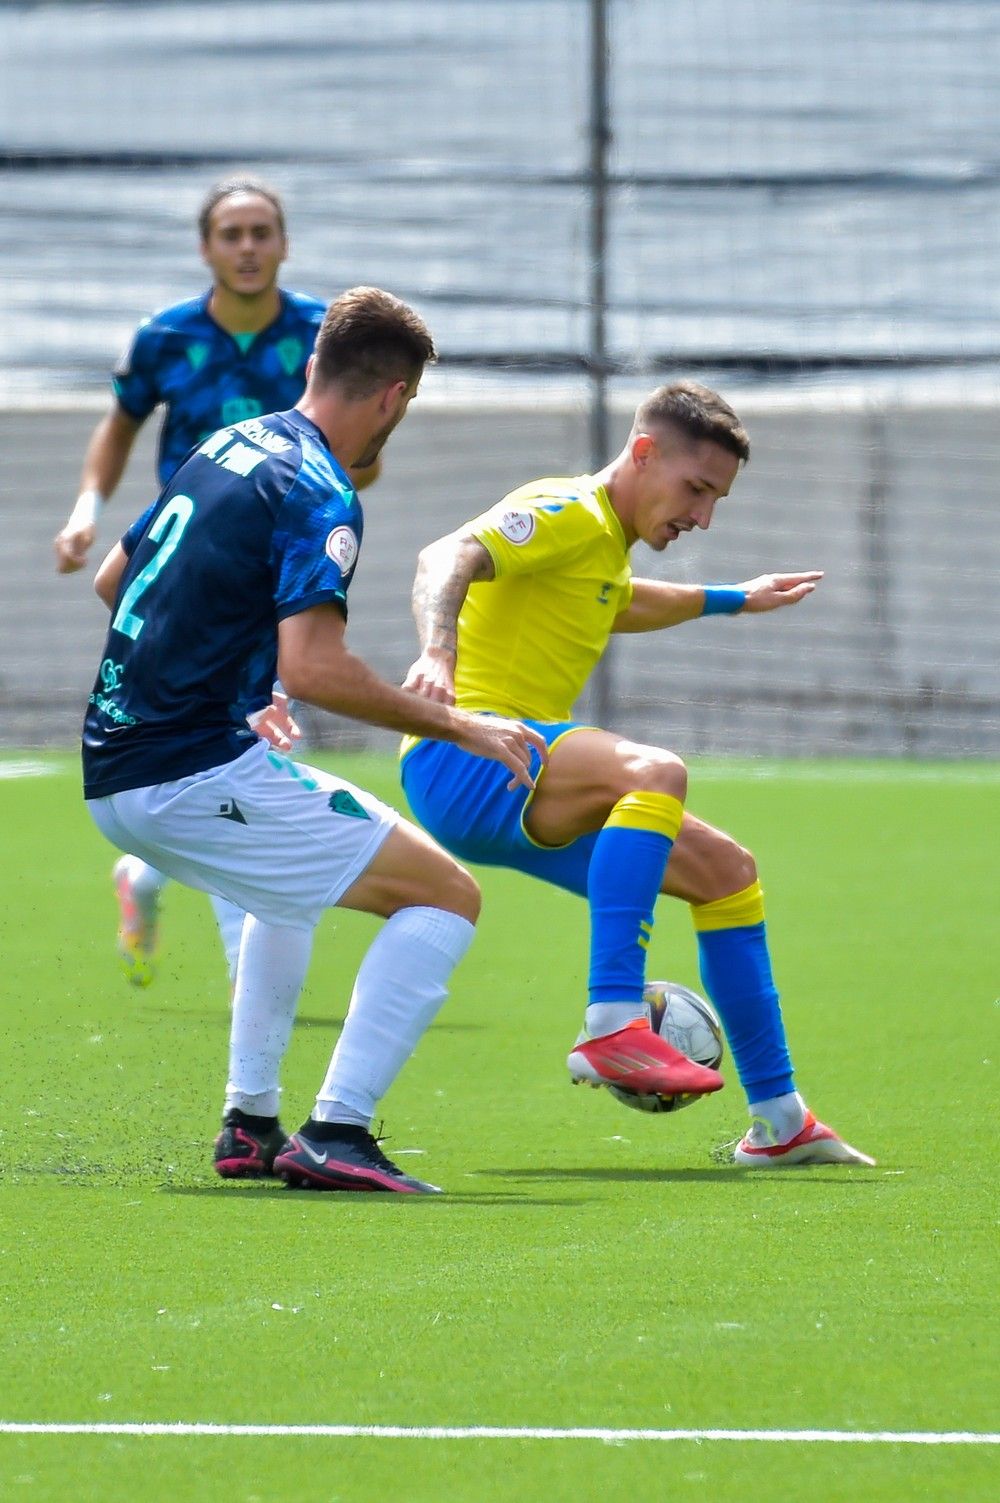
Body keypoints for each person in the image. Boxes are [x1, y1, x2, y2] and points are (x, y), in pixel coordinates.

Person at [83, 285, 547, 1194]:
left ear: (311, 366)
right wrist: (461, 723)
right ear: (395, 398)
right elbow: (323, 669)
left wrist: (239, 692)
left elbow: (113, 579)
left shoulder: (228, 441)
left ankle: (249, 1121)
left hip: (116, 767)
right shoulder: (319, 487)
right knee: (446, 895)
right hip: (183, 771)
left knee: (285, 894)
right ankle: (338, 1129)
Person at [399, 380, 875, 1168]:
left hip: (525, 779)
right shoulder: (566, 510)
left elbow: (615, 602)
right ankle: (613, 1020)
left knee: (727, 871)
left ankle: (779, 1120)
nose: (703, 515)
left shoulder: (601, 549)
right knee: (654, 772)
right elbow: (443, 556)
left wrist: (734, 599)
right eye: (696, 489)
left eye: (717, 498)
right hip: (464, 756)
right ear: (644, 452)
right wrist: (438, 657)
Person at [55, 174, 374, 990]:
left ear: (283, 244)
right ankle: (228, 952)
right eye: (230, 233)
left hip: (271, 579)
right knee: (233, 755)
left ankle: (153, 878)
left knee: (235, 756)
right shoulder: (163, 337)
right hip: (182, 578)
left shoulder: (321, 338)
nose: (247, 246)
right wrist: (87, 508)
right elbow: (118, 427)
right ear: (206, 248)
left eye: (261, 231)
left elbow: (359, 453)